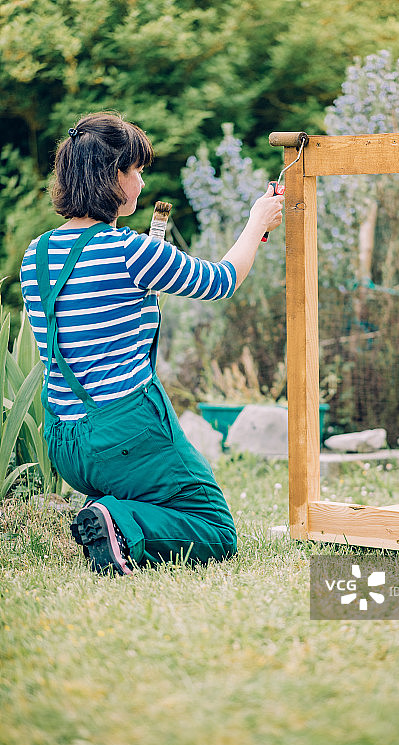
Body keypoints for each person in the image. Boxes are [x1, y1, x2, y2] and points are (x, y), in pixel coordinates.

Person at [20, 111, 284, 575]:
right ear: (112, 177)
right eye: (136, 171)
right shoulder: (129, 250)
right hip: (126, 434)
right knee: (216, 529)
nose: (141, 183)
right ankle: (119, 520)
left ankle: (107, 513)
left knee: (133, 481)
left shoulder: (35, 253)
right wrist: (256, 223)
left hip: (64, 441)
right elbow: (221, 281)